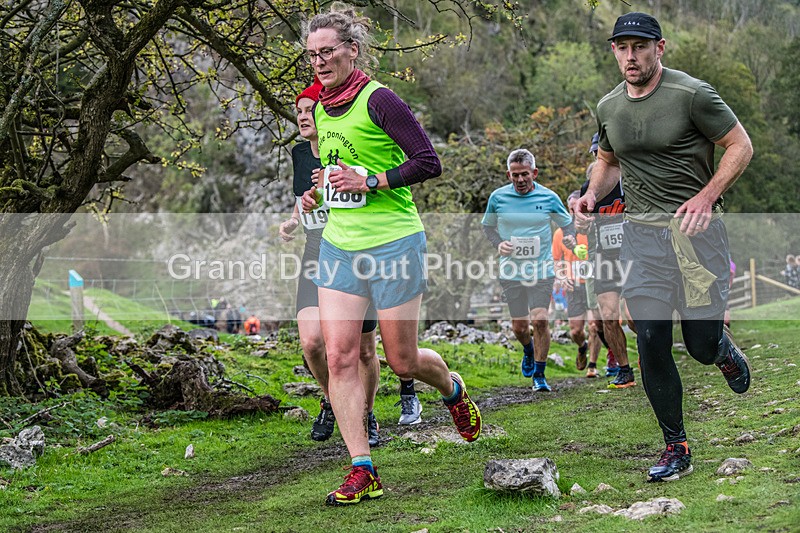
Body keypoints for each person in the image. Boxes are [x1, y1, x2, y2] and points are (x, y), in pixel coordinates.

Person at [300, 3, 481, 506]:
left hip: (395, 241)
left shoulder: (380, 100)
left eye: (328, 52)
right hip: (340, 244)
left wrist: (371, 180)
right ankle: (363, 467)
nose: (319, 62)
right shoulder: (317, 107)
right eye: (312, 55)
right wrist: (325, 186)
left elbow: (428, 162)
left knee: (402, 361)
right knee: (339, 358)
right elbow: (340, 165)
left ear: (351, 51)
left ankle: (451, 389)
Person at [574, 12, 753, 483]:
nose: (631, 57)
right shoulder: (609, 105)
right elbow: (608, 160)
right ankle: (677, 445)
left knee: (699, 345)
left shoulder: (692, 94)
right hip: (643, 238)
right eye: (622, 47)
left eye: (640, 47)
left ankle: (723, 352)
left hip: (697, 237)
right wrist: (593, 194)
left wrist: (706, 195)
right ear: (613, 50)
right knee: (651, 338)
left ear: (660, 47)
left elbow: (740, 145)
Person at [280, 80, 424, 446]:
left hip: (373, 246)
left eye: (309, 109)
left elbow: (420, 162)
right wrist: (299, 214)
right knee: (316, 344)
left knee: (376, 353)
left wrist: (367, 181)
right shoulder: (301, 154)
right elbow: (308, 197)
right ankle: (338, 408)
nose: (304, 117)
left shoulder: (361, 123)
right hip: (322, 249)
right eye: (298, 111)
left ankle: (370, 410)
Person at [481, 149, 576, 392]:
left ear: (534, 172)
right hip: (511, 271)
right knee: (520, 328)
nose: (520, 180)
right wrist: (498, 244)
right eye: (515, 175)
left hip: (542, 270)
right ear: (508, 174)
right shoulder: (498, 198)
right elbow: (488, 227)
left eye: (525, 174)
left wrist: (570, 238)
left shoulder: (549, 197)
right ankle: (528, 349)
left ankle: (540, 375)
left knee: (541, 320)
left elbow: (567, 224)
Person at [577, 152, 636, 389]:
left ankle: (650, 355)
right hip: (604, 259)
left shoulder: (632, 182)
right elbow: (580, 223)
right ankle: (624, 370)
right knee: (609, 317)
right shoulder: (589, 187)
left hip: (634, 257)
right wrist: (582, 223)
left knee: (634, 319)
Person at [551, 191, 596, 376]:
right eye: (570, 209)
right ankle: (582, 346)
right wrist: (562, 278)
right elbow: (555, 260)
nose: (574, 212)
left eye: (577, 207)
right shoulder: (560, 233)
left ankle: (592, 365)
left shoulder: (593, 229)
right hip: (573, 286)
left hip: (592, 284)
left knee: (594, 325)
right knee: (576, 331)